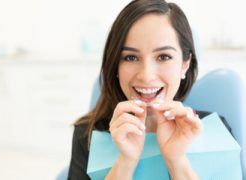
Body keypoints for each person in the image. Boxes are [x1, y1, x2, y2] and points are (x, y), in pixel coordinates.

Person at [68, 0, 230, 179]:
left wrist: (177, 162)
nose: (146, 75)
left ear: (185, 64)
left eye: (163, 56)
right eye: (130, 57)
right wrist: (125, 162)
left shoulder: (217, 130)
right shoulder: (87, 134)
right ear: (115, 66)